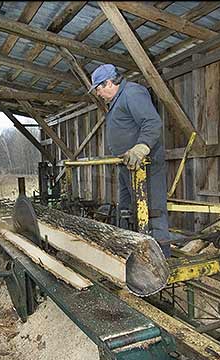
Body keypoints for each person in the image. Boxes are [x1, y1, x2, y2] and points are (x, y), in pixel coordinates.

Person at [89, 64, 171, 257]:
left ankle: (160, 259)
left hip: (145, 165)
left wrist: (141, 147)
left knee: (153, 211)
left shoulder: (132, 93)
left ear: (109, 82)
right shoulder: (117, 100)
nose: (98, 93)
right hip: (128, 166)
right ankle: (131, 253)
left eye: (99, 88)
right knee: (127, 209)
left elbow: (152, 122)